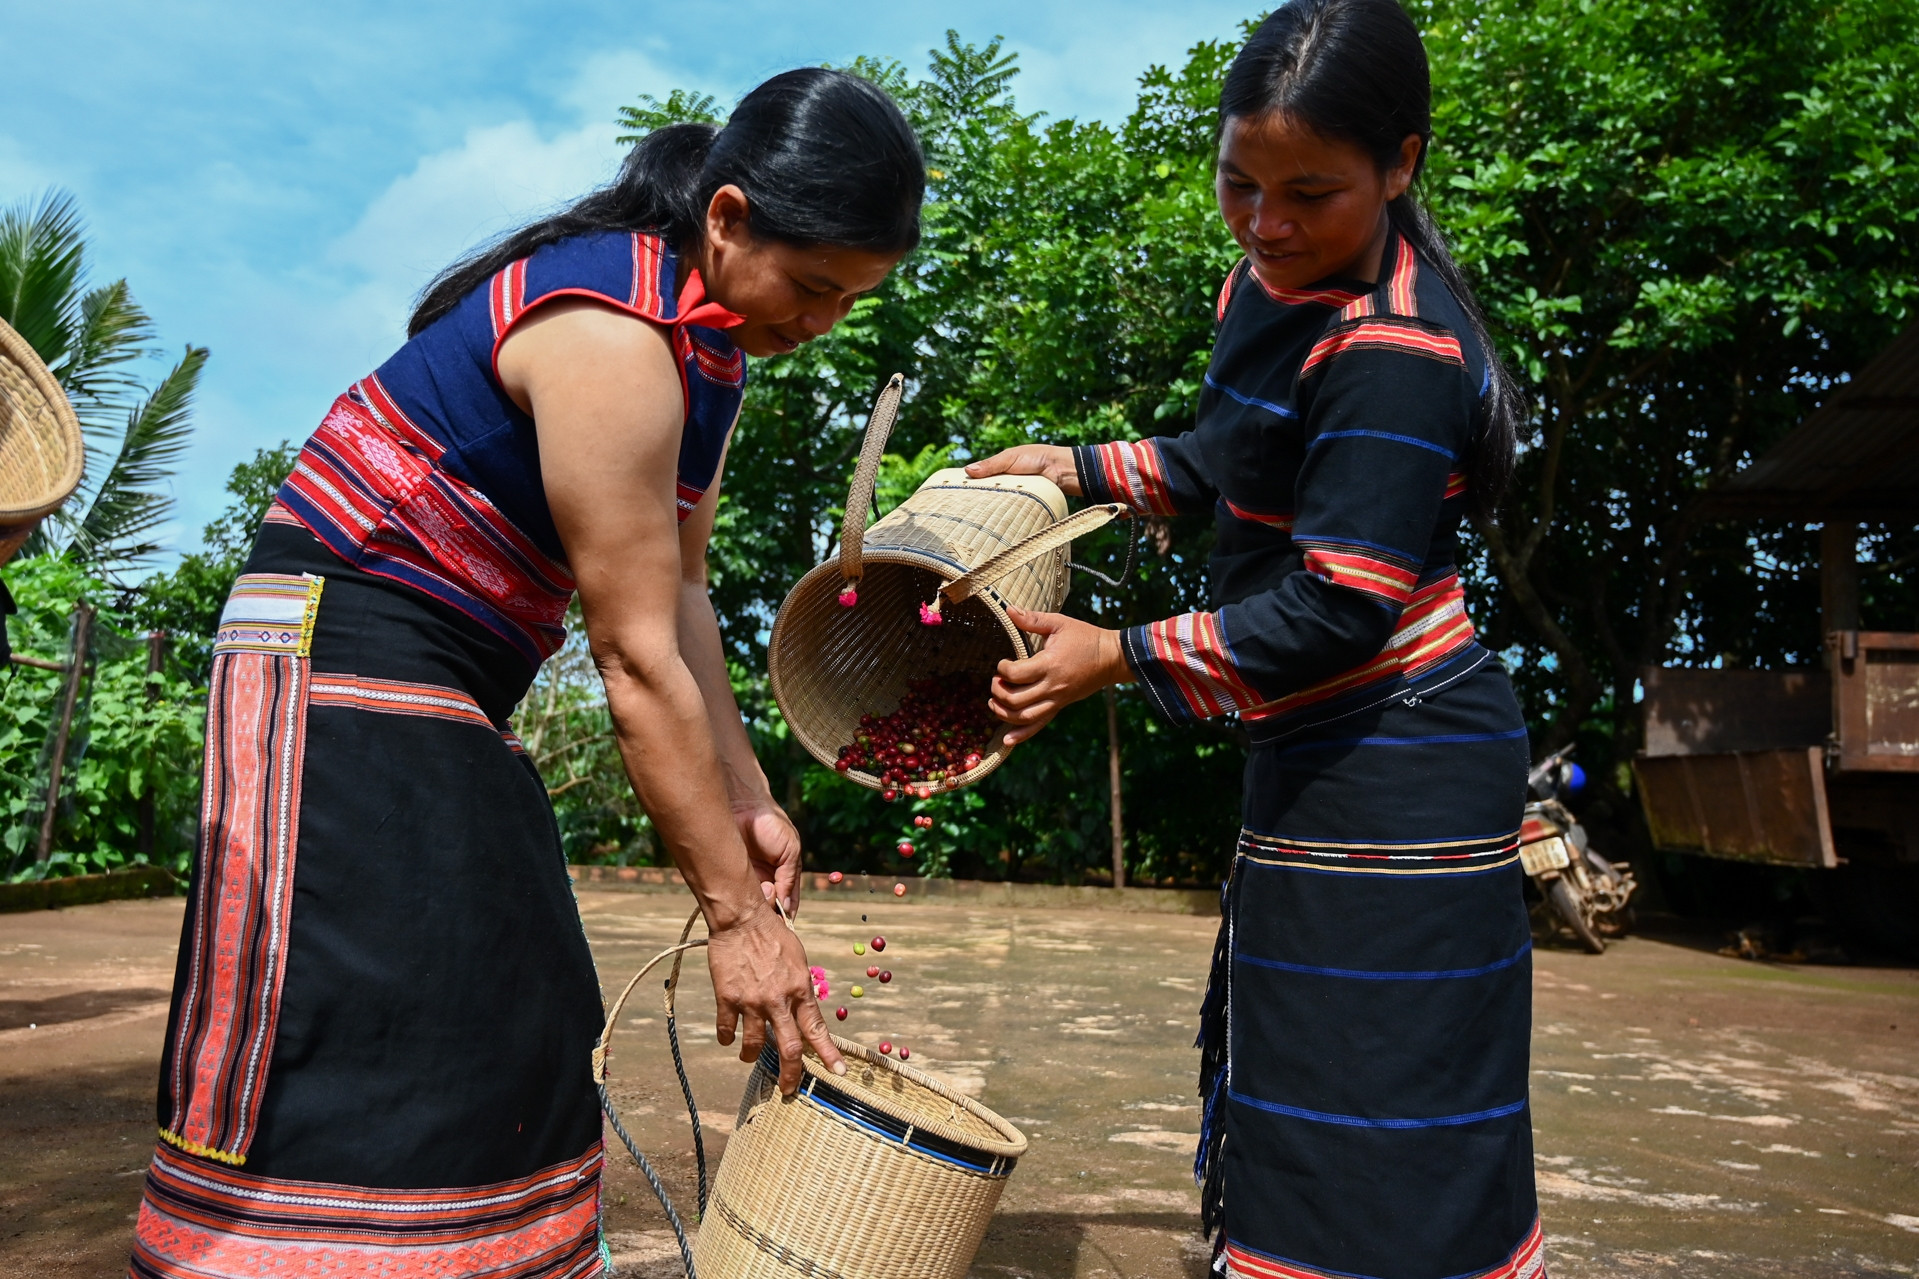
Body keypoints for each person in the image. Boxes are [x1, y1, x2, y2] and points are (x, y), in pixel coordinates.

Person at [130, 68, 924, 1278]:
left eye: (846, 303)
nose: (816, 321)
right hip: (339, 652)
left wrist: (746, 789)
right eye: (809, 285)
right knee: (376, 1004)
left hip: (446, 676)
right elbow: (628, 653)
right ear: (724, 219)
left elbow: (686, 598)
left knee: (511, 999)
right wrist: (732, 912)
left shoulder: (711, 360)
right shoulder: (611, 330)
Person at [968, 3, 1542, 1276]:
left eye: (1308, 193)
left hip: (1401, 760)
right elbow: (1228, 458)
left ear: (1400, 165)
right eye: (1238, 183)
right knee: (1303, 1062)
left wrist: (1114, 654)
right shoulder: (1266, 283)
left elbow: (1340, 601)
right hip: (1320, 743)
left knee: (1388, 1089)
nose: (1265, 221)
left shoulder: (1393, 347)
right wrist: (1074, 466)